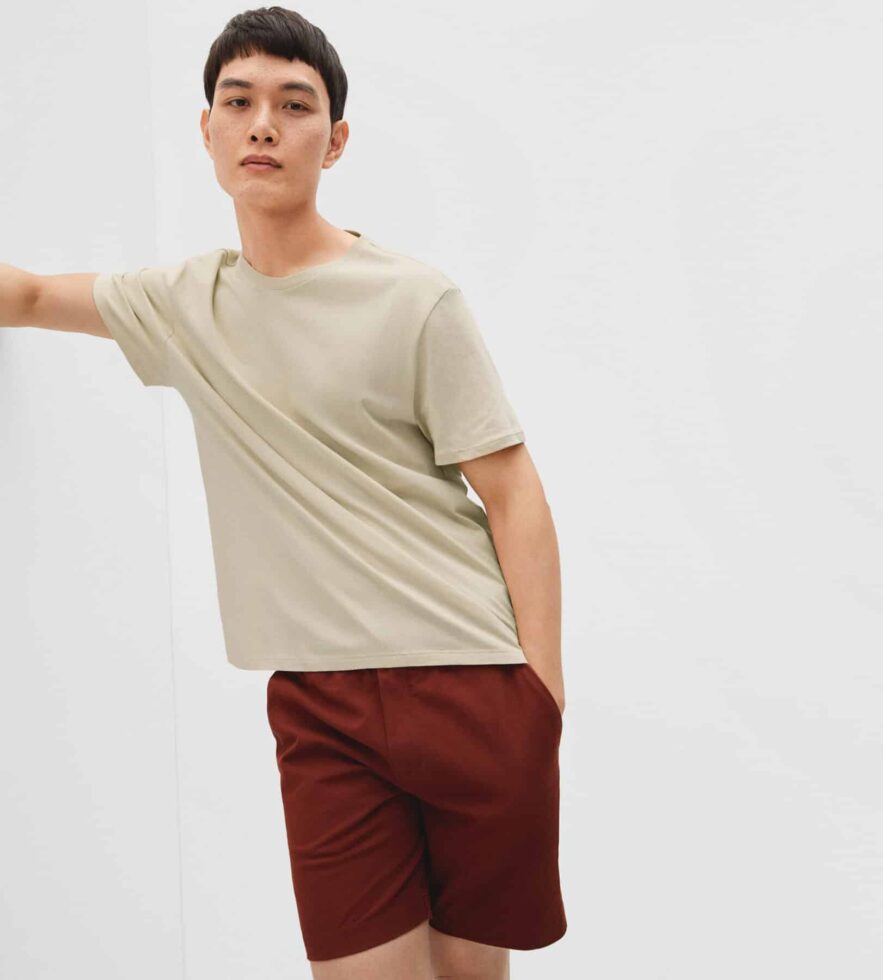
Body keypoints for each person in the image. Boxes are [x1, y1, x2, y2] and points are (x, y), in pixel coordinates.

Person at [1, 6, 566, 977]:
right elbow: (27, 297)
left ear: (333, 140)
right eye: (239, 101)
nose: (263, 124)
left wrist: (541, 698)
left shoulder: (413, 297)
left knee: (471, 975)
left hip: (467, 679)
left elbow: (512, 491)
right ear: (208, 130)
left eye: (294, 105)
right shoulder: (184, 302)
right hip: (317, 705)